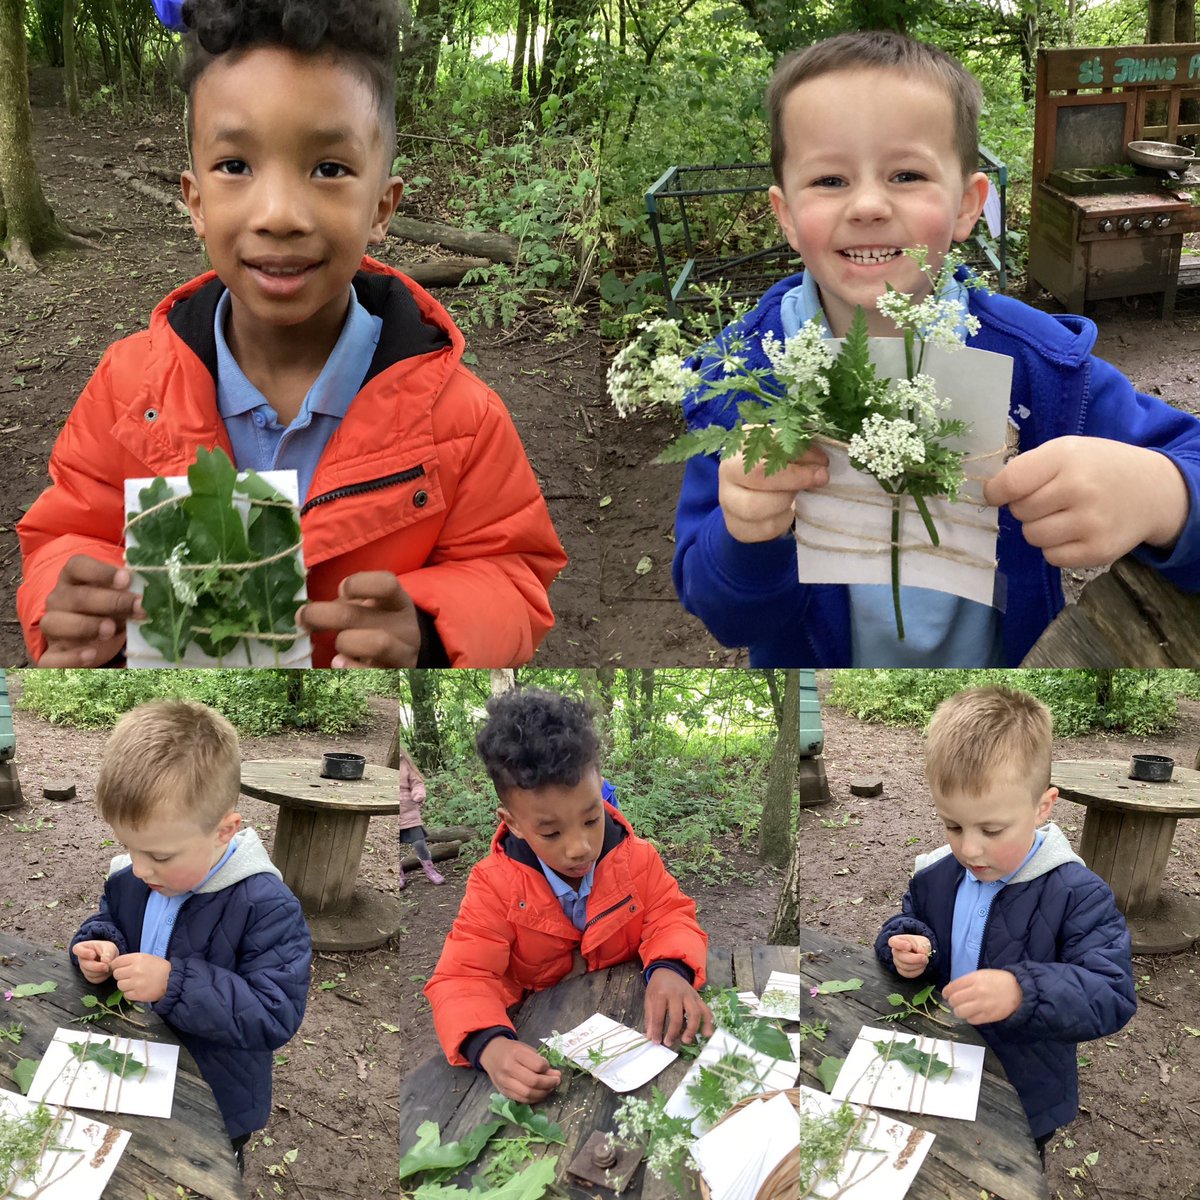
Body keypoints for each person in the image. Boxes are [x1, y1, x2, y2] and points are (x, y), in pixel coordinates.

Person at [17, 0, 565, 670]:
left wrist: (425, 628)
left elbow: (512, 571)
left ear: (381, 209)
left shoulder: (461, 422)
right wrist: (65, 601)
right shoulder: (128, 389)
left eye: (329, 169)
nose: (279, 215)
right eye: (236, 166)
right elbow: (67, 531)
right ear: (194, 202)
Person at [673, 30, 1200, 666]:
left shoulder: (1033, 364)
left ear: (967, 206)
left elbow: (1187, 454)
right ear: (784, 215)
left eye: (907, 174)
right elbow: (727, 615)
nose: (868, 204)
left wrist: (1162, 493)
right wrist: (744, 537)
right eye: (831, 179)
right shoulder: (745, 382)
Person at [875, 686, 1135, 1162]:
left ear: (1042, 807)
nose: (970, 849)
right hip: (940, 1060)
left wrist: (1022, 990)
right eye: (953, 826)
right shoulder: (937, 874)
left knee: (1006, 1171)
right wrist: (908, 944)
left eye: (991, 830)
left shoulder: (1078, 894)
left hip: (1024, 1088)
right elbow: (909, 917)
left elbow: (1111, 992)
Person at [424, 689, 713, 1103]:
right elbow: (463, 977)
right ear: (515, 824)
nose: (579, 847)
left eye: (591, 819)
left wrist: (671, 968)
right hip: (543, 1044)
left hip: (632, 1031)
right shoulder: (494, 887)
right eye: (551, 832)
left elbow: (670, 916)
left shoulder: (638, 861)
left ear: (601, 787)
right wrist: (488, 1045)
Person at [69, 699, 311, 1172]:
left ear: (224, 831)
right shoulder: (133, 878)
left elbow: (274, 1014)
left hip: (218, 1092)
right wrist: (100, 943)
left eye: (159, 855)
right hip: (135, 1061)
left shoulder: (265, 906)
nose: (140, 868)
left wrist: (173, 984)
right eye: (128, 848)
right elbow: (111, 917)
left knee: (205, 1169)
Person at [397, 743, 444, 888]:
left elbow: (417, 782)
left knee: (419, 843)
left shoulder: (404, 762)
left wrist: (418, 794)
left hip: (409, 813)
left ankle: (430, 870)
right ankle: (398, 874)